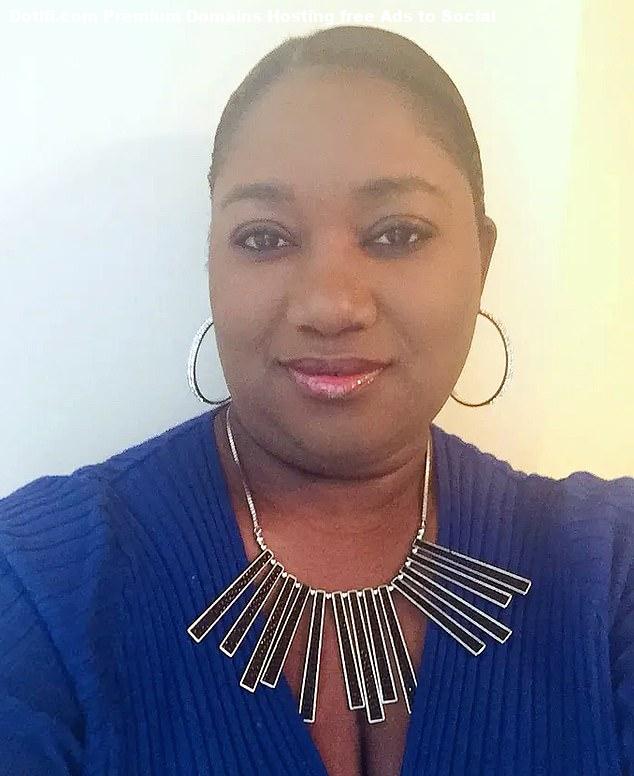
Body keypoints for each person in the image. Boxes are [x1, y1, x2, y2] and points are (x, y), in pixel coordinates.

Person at [0, 24, 632, 776]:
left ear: (482, 258)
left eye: (397, 234)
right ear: (211, 262)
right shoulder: (40, 584)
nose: (330, 305)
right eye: (265, 238)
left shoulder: (610, 574)